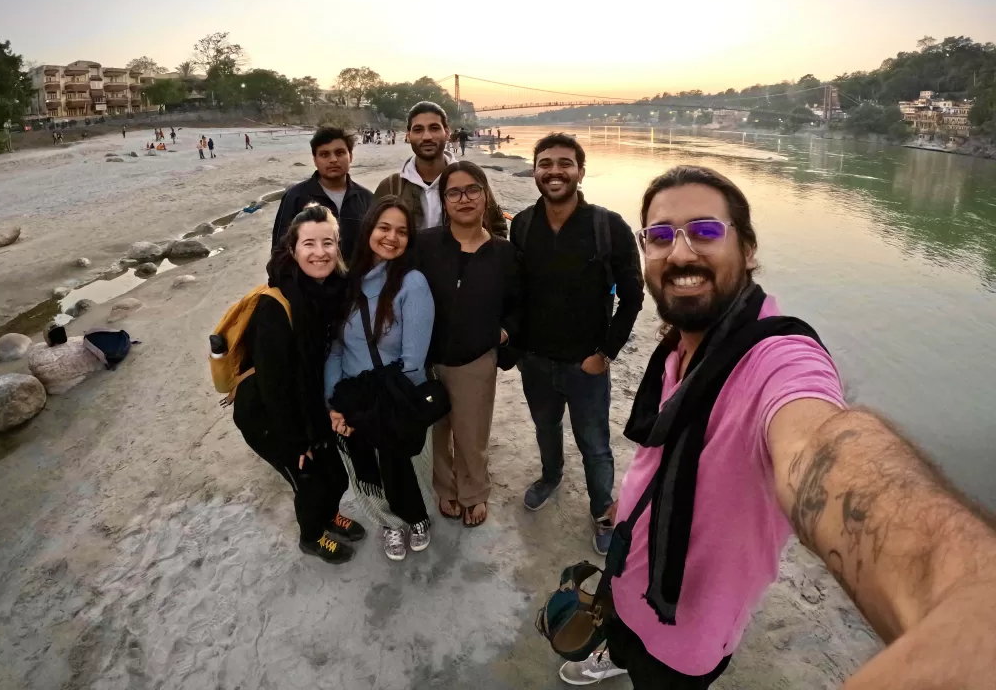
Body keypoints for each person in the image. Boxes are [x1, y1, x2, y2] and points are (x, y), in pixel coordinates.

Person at [558, 165, 996, 689]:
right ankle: (619, 651)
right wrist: (627, 506)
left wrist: (962, 594)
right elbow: (670, 458)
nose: (679, 254)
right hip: (631, 576)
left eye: (705, 231)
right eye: (660, 236)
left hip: (684, 635)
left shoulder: (777, 358)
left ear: (747, 249)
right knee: (625, 640)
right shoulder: (681, 345)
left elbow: (819, 445)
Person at [510, 132, 643, 554]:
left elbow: (634, 296)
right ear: (535, 171)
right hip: (535, 361)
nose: (554, 171)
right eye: (545, 163)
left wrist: (606, 354)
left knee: (595, 444)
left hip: (586, 364)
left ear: (580, 172)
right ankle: (551, 476)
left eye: (564, 163)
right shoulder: (523, 224)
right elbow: (514, 291)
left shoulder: (608, 226)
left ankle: (603, 509)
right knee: (545, 428)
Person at [232, 206, 366, 564]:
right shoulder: (276, 304)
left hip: (310, 402)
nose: (319, 252)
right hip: (268, 414)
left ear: (338, 246)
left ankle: (329, 515)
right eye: (309, 243)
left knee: (335, 473)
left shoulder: (333, 290)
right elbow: (275, 386)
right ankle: (312, 536)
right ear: (292, 249)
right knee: (308, 479)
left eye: (328, 242)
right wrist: (296, 444)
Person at [324, 197, 435, 563]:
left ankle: (417, 517)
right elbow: (337, 349)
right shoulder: (347, 283)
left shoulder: (412, 283)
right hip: (355, 396)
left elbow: (414, 358)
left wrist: (388, 405)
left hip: (397, 395)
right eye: (384, 228)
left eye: (402, 232)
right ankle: (387, 522)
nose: (392, 237)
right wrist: (335, 402)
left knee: (404, 464)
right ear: (369, 229)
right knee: (363, 470)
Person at [416, 162, 519, 527]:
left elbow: (518, 306)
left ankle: (474, 492)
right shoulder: (425, 243)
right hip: (427, 358)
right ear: (444, 201)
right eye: (454, 192)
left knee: (472, 431)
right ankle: (446, 488)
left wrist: (503, 334)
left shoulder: (504, 253)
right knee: (437, 428)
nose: (464, 199)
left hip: (475, 360)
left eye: (472, 189)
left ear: (485, 195)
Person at [376, 101, 507, 236]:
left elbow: (496, 229)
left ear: (447, 133)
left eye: (434, 128)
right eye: (418, 130)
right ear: (408, 135)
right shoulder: (391, 187)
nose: (427, 136)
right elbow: (372, 235)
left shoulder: (472, 181)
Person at [272, 126, 373, 264]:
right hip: (309, 284)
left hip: (356, 283)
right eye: (325, 154)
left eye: (340, 152)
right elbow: (279, 252)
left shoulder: (366, 199)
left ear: (350, 156)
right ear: (315, 160)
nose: (333, 160)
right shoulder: (295, 197)